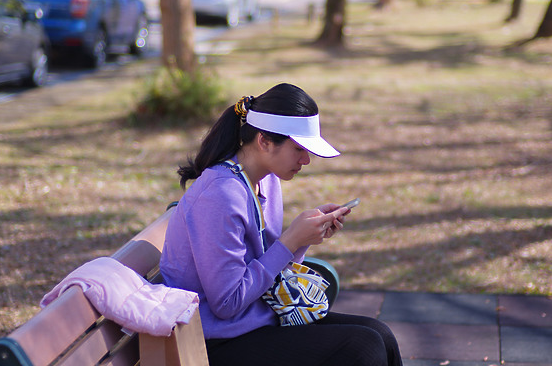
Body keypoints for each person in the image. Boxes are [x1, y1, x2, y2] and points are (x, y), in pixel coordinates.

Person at [160, 83, 402, 366]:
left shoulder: (268, 180)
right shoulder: (219, 195)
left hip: (252, 321)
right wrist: (290, 241)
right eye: (299, 148)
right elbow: (227, 303)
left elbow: (266, 270)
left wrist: (303, 239)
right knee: (362, 347)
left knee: (379, 334)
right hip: (211, 341)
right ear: (264, 141)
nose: (306, 160)